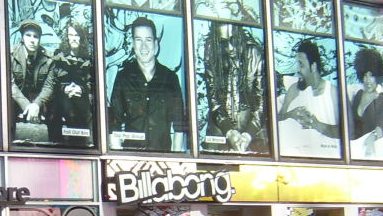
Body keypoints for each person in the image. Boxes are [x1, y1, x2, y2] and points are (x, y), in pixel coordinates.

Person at [108, 16, 185, 152]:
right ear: (132, 43)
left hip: (163, 157)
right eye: (139, 40)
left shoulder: (170, 79)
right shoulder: (123, 78)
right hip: (131, 158)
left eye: (148, 40)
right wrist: (118, 156)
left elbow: (179, 123)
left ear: (155, 43)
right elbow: (114, 121)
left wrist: (176, 157)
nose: (143, 46)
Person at [200, 22, 267, 154]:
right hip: (220, 127)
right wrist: (229, 131)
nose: (230, 47)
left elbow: (262, 102)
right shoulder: (212, 51)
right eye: (223, 42)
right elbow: (213, 98)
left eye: (233, 40)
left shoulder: (254, 52)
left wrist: (248, 134)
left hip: (253, 128)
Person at [278, 39, 340, 156]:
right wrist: (291, 115)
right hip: (292, 155)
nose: (297, 69)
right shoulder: (294, 89)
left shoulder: (333, 92)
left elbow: (349, 131)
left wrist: (315, 124)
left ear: (313, 66)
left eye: (301, 64)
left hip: (323, 156)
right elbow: (278, 120)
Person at [10, 19, 57, 142]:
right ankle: (8, 142)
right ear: (22, 37)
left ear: (39, 39)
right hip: (17, 98)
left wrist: (36, 104)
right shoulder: (10, 54)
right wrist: (27, 106)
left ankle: (55, 145)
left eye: (35, 37)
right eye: (28, 35)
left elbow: (49, 86)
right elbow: (10, 84)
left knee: (56, 103)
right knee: (3, 100)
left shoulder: (48, 58)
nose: (32, 40)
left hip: (38, 99)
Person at [48, 21, 93, 146]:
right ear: (67, 38)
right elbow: (51, 82)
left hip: (82, 98)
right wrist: (64, 89)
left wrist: (81, 89)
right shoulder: (58, 58)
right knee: (63, 108)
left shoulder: (89, 60)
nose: (74, 38)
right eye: (71, 35)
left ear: (81, 38)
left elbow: (94, 83)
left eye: (76, 35)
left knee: (87, 111)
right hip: (62, 99)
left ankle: (89, 143)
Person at [350, 47, 383, 158]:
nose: (368, 80)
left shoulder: (382, 99)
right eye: (365, 75)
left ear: (377, 75)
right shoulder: (358, 95)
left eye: (371, 75)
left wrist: (373, 136)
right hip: (354, 150)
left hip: (373, 152)